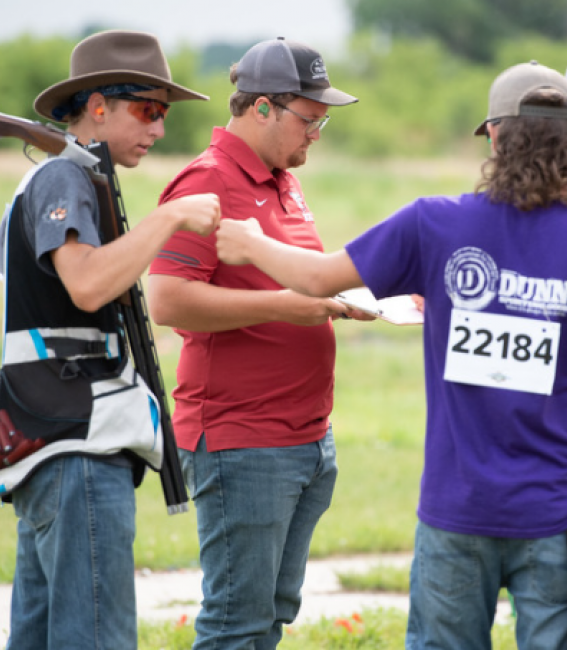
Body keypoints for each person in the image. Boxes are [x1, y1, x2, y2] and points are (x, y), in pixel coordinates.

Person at [216, 60, 567, 649]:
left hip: (458, 509)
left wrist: (251, 242)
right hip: (557, 512)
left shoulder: (435, 224)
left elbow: (320, 277)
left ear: (497, 138)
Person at [0, 30, 220, 650]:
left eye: (162, 114)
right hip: (76, 444)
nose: (159, 129)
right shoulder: (64, 178)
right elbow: (86, 286)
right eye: (148, 109)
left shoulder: (66, 179)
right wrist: (169, 218)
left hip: (52, 437)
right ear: (96, 107)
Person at [147, 37, 358, 649]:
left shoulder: (283, 179)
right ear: (261, 108)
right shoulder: (208, 180)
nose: (317, 132)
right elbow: (166, 300)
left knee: (270, 616)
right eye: (309, 118)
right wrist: (286, 309)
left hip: (305, 435)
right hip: (244, 439)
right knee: (236, 624)